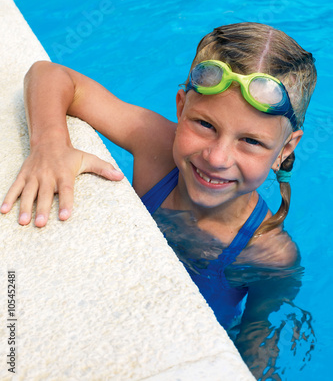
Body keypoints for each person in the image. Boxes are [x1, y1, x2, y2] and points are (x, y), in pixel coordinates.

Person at [1, 22, 317, 378]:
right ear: (181, 108)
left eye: (251, 142)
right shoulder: (156, 147)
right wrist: (51, 144)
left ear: (285, 150)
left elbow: (257, 345)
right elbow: (50, 74)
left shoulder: (270, 254)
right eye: (205, 124)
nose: (217, 157)